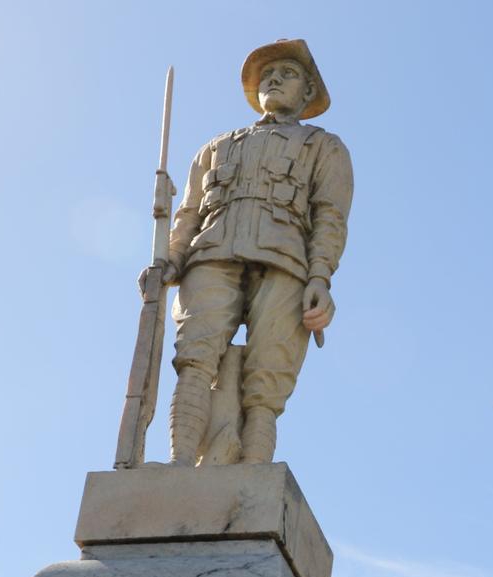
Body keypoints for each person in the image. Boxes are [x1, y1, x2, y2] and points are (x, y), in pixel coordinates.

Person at [145, 38, 353, 465]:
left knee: (266, 383)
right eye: (267, 75)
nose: (273, 79)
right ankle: (179, 462)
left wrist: (320, 278)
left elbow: (330, 216)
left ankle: (255, 470)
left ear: (309, 91)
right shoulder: (217, 146)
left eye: (287, 73)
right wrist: (170, 260)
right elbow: (188, 213)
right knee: (195, 359)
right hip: (211, 254)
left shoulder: (325, 147)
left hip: (286, 262)